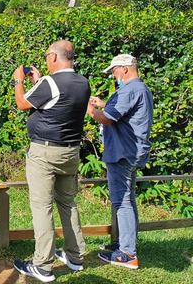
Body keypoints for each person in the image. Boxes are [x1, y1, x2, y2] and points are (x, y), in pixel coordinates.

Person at [12, 40, 90, 283]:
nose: (45, 59)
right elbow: (58, 103)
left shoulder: (51, 83)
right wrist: (39, 82)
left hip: (45, 153)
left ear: (54, 57)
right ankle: (75, 256)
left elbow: (22, 103)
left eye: (47, 55)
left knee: (42, 206)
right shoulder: (83, 82)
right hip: (70, 152)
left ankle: (42, 265)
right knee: (67, 203)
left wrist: (19, 81)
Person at [87, 53, 153, 270]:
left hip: (122, 153)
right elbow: (127, 114)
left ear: (124, 69)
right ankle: (125, 244)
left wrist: (90, 110)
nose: (113, 76)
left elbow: (107, 118)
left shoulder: (129, 89)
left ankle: (127, 253)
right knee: (129, 200)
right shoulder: (141, 89)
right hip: (133, 153)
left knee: (122, 202)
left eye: (114, 71)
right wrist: (105, 103)